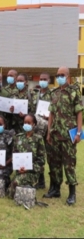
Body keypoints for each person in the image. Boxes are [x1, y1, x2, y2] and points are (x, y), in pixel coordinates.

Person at [45, 67, 83, 205]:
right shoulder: (54, 93)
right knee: (54, 164)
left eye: (62, 75)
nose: (59, 77)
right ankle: (55, 189)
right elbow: (51, 114)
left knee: (69, 165)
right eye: (57, 75)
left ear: (68, 76)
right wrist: (49, 132)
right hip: (55, 134)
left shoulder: (74, 92)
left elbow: (79, 113)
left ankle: (72, 194)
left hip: (68, 135)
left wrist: (79, 133)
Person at [8, 114, 46, 199]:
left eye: (29, 123)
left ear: (34, 124)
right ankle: (25, 185)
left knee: (15, 184)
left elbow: (41, 160)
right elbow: (14, 155)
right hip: (19, 171)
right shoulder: (18, 138)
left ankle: (30, 185)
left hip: (32, 172)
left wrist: (29, 168)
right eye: (25, 122)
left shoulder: (38, 139)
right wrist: (18, 168)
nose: (26, 124)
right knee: (9, 189)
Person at [32, 72, 52, 189]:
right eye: (41, 79)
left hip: (48, 130)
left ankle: (54, 184)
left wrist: (49, 117)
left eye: (45, 79)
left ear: (49, 80)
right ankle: (40, 181)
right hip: (37, 129)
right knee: (37, 154)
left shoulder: (53, 95)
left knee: (49, 156)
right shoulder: (35, 94)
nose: (43, 81)